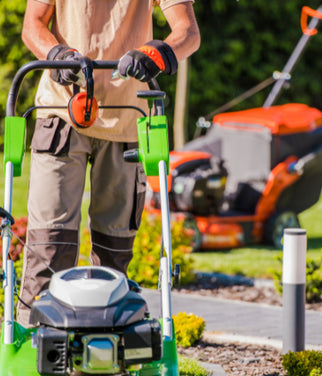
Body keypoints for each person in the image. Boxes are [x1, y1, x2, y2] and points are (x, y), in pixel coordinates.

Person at [17, 0, 200, 327]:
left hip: (127, 118)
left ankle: (107, 341)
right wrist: (55, 53)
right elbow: (33, 25)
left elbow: (187, 33)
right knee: (48, 244)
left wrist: (157, 53)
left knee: (113, 251)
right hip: (62, 113)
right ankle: (32, 341)